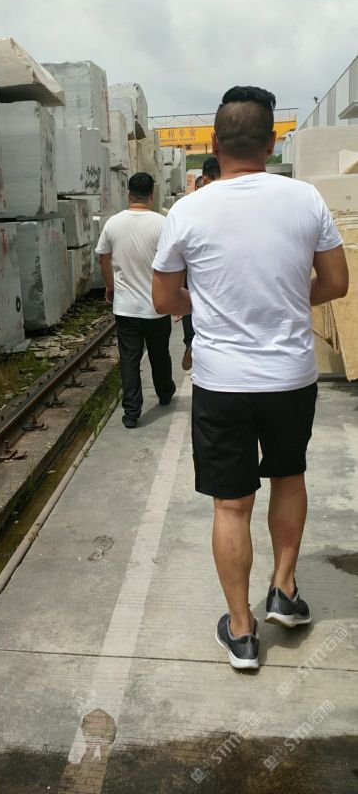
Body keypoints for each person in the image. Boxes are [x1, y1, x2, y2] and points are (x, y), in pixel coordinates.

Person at [152, 85, 348, 670]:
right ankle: (283, 589)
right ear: (272, 142)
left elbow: (164, 299)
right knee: (288, 477)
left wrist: (211, 304)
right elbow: (336, 283)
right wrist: (283, 299)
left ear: (213, 144)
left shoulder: (189, 209)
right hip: (291, 378)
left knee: (231, 506)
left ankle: (241, 631)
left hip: (223, 382)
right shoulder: (306, 199)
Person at [96, 172, 176, 429]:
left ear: (128, 194)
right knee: (159, 353)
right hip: (156, 306)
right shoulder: (162, 224)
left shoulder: (113, 223)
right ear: (152, 195)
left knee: (129, 359)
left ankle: (131, 412)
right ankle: (165, 393)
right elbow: (173, 263)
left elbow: (103, 257)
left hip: (126, 308)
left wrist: (110, 285)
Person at [181, 155, 222, 370]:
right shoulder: (238, 203)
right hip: (223, 274)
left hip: (194, 273)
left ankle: (192, 343)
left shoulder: (186, 208)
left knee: (192, 304)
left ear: (204, 179)